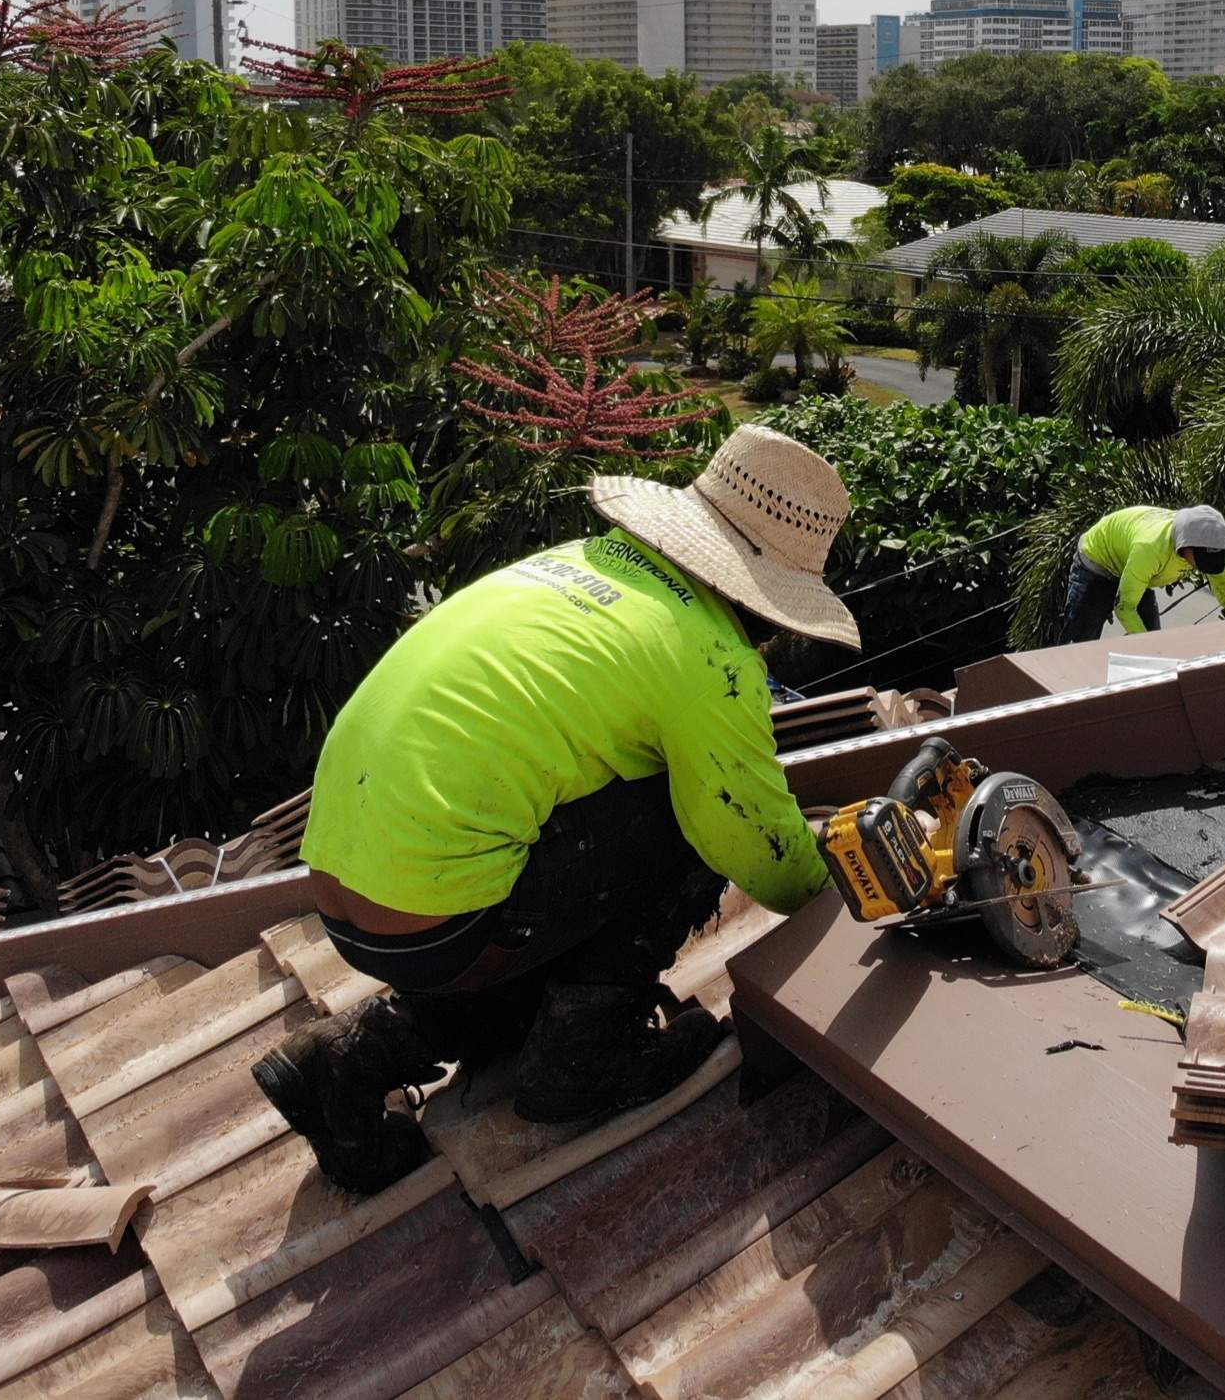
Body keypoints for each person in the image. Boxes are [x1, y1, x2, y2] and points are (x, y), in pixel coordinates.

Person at [251, 424, 859, 1194]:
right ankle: (584, 1062)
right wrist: (842, 903)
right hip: (441, 922)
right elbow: (757, 846)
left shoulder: (581, 565)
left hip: (347, 887)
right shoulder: (709, 655)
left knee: (583, 849)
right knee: (690, 820)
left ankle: (344, 1059)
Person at [1056, 503, 1225, 644]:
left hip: (1137, 572)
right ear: (1185, 544)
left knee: (1152, 636)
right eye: (1200, 561)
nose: (1201, 568)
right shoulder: (1150, 547)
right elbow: (1125, 608)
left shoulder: (1211, 547)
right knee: (1080, 644)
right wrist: (1151, 649)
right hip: (1098, 563)